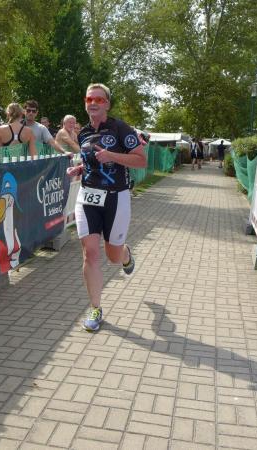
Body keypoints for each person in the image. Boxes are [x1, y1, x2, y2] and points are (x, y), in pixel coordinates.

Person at [66, 83, 146, 332]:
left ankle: (125, 254)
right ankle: (95, 308)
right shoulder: (83, 132)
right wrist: (80, 169)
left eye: (99, 100)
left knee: (113, 256)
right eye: (89, 99)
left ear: (107, 104)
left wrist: (112, 156)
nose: (93, 103)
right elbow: (92, 162)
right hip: (87, 197)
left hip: (115, 198)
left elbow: (141, 160)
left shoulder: (121, 128)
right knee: (90, 253)